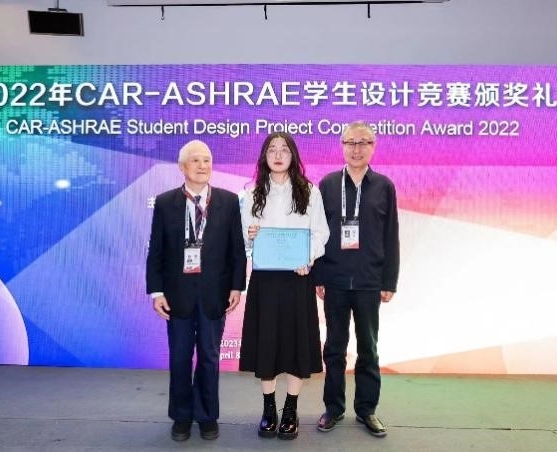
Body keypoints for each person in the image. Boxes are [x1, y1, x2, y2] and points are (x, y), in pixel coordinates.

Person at [146, 140, 247, 442]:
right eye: (195, 160)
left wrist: (237, 286)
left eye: (207, 160)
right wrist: (156, 292)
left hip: (215, 294)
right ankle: (181, 416)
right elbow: (156, 251)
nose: (203, 166)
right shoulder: (165, 202)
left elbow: (237, 250)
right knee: (179, 358)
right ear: (182, 167)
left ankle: (206, 416)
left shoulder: (229, 201)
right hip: (177, 295)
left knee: (209, 357)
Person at [239, 132, 329, 440]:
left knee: (296, 344)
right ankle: (269, 409)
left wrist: (307, 257)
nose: (278, 155)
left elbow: (321, 234)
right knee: (266, 344)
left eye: (284, 150)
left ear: (293, 156)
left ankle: (290, 409)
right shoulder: (251, 193)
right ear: (264, 156)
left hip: (298, 278)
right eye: (272, 150)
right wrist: (251, 236)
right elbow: (244, 239)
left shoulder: (309, 191)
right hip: (265, 280)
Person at [314, 121, 400, 438]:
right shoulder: (327, 184)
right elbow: (318, 234)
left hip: (369, 281)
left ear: (373, 147)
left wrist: (389, 280)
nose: (356, 148)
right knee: (334, 348)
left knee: (368, 349)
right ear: (342, 146)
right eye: (350, 142)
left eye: (363, 142)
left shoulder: (384, 186)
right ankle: (333, 408)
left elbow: (391, 236)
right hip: (334, 280)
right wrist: (318, 275)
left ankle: (367, 410)